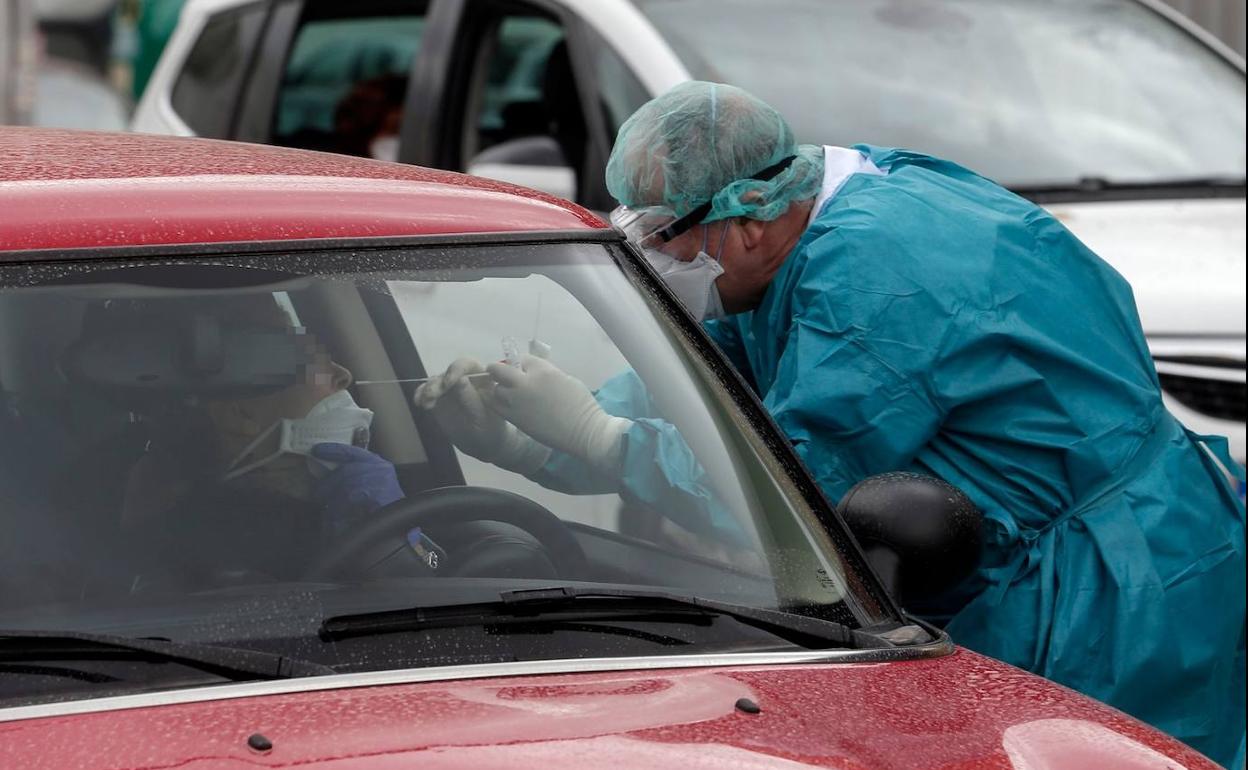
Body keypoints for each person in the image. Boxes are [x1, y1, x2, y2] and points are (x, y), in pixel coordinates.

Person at [423, 81, 1247, 767]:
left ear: (745, 217)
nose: (662, 266)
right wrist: (542, 442)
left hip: (1113, 586)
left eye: (664, 240)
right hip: (1094, 547)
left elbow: (786, 493)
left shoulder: (874, 287)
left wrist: (593, 439)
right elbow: (732, 392)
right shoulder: (825, 212)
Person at [106, 293, 403, 585]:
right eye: (304, 354)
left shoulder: (176, 513)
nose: (344, 375)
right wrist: (391, 551)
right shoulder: (231, 557)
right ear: (238, 414)